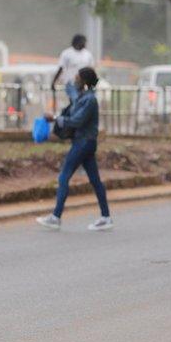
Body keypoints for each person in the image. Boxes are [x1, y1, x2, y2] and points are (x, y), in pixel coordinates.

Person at [36, 67, 112, 232]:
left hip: (83, 143)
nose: (75, 80)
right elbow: (72, 94)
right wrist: (63, 82)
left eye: (78, 78)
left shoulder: (90, 100)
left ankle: (56, 217)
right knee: (95, 180)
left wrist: (56, 118)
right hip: (85, 143)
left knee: (64, 177)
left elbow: (77, 120)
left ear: (84, 81)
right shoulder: (83, 97)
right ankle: (105, 217)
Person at [53, 34, 94, 103]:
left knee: (85, 101)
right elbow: (61, 68)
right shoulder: (67, 53)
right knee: (76, 100)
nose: (84, 44)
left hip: (84, 84)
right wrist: (54, 81)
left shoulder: (88, 54)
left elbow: (91, 69)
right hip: (71, 83)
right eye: (83, 42)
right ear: (77, 42)